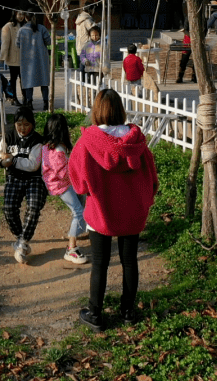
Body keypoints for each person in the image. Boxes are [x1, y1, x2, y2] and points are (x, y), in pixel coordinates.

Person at [69, 89, 159, 331]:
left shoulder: (87, 141)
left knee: (100, 262)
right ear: (120, 109)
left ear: (96, 111)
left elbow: (77, 181)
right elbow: (152, 178)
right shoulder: (137, 141)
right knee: (130, 261)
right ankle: (128, 312)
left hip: (101, 211)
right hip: (132, 211)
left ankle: (95, 313)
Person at [0, 105, 46, 264]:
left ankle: (23, 242)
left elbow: (33, 164)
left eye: (26, 125)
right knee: (9, 208)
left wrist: (13, 160)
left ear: (33, 125)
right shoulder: (8, 137)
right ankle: (20, 237)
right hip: (14, 177)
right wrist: (1, 162)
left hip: (34, 178)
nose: (22, 128)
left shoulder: (37, 140)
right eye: (19, 125)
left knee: (34, 206)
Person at [41, 113, 89, 265]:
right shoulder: (58, 151)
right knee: (78, 211)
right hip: (61, 186)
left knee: (81, 201)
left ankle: (77, 229)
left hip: (60, 183)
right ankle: (71, 249)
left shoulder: (49, 146)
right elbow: (65, 173)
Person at [17, 9, 52, 110]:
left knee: (28, 81)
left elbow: (17, 44)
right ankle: (45, 103)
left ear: (25, 17)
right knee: (44, 81)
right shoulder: (42, 28)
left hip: (27, 60)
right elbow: (48, 41)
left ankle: (29, 102)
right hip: (41, 59)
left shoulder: (22, 30)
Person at [0, 11, 23, 103]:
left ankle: (25, 98)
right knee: (13, 79)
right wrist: (2, 58)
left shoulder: (24, 25)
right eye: (19, 14)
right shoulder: (8, 26)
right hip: (13, 58)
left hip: (23, 58)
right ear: (14, 14)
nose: (21, 16)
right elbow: (5, 43)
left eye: (23, 14)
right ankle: (13, 97)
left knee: (23, 79)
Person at [74, 3, 97, 72]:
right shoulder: (87, 20)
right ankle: (85, 80)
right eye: (93, 9)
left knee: (82, 65)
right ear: (90, 10)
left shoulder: (80, 18)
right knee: (87, 67)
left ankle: (82, 81)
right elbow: (94, 30)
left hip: (79, 45)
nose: (94, 11)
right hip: (86, 45)